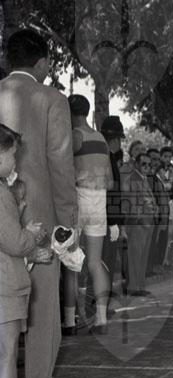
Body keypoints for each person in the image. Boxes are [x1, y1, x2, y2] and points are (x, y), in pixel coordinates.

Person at [0, 29, 77, 378]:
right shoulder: (52, 99)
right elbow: (61, 166)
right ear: (44, 63)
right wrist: (68, 224)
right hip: (40, 217)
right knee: (43, 302)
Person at [0, 123, 47, 378]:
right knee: (6, 355)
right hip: (5, 285)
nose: (15, 162)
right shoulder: (2, 194)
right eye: (12, 155)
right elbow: (15, 242)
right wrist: (31, 234)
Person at [62, 95, 113, 335]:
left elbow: (63, 170)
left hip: (79, 197)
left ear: (70, 113)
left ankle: (70, 322)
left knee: (71, 263)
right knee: (94, 262)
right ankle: (101, 318)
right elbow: (110, 181)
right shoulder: (101, 138)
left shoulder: (74, 136)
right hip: (100, 199)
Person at [100, 116, 126, 311]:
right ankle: (102, 306)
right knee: (106, 264)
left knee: (104, 263)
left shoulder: (103, 157)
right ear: (115, 139)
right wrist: (116, 222)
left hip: (102, 216)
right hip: (108, 218)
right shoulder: (108, 159)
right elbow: (113, 195)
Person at [122, 153, 157, 295]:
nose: (147, 167)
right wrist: (139, 219)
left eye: (149, 164)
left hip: (147, 223)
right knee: (135, 256)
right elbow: (131, 202)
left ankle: (140, 286)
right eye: (144, 164)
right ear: (136, 164)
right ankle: (133, 287)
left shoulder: (143, 179)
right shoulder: (132, 179)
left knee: (143, 256)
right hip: (138, 224)